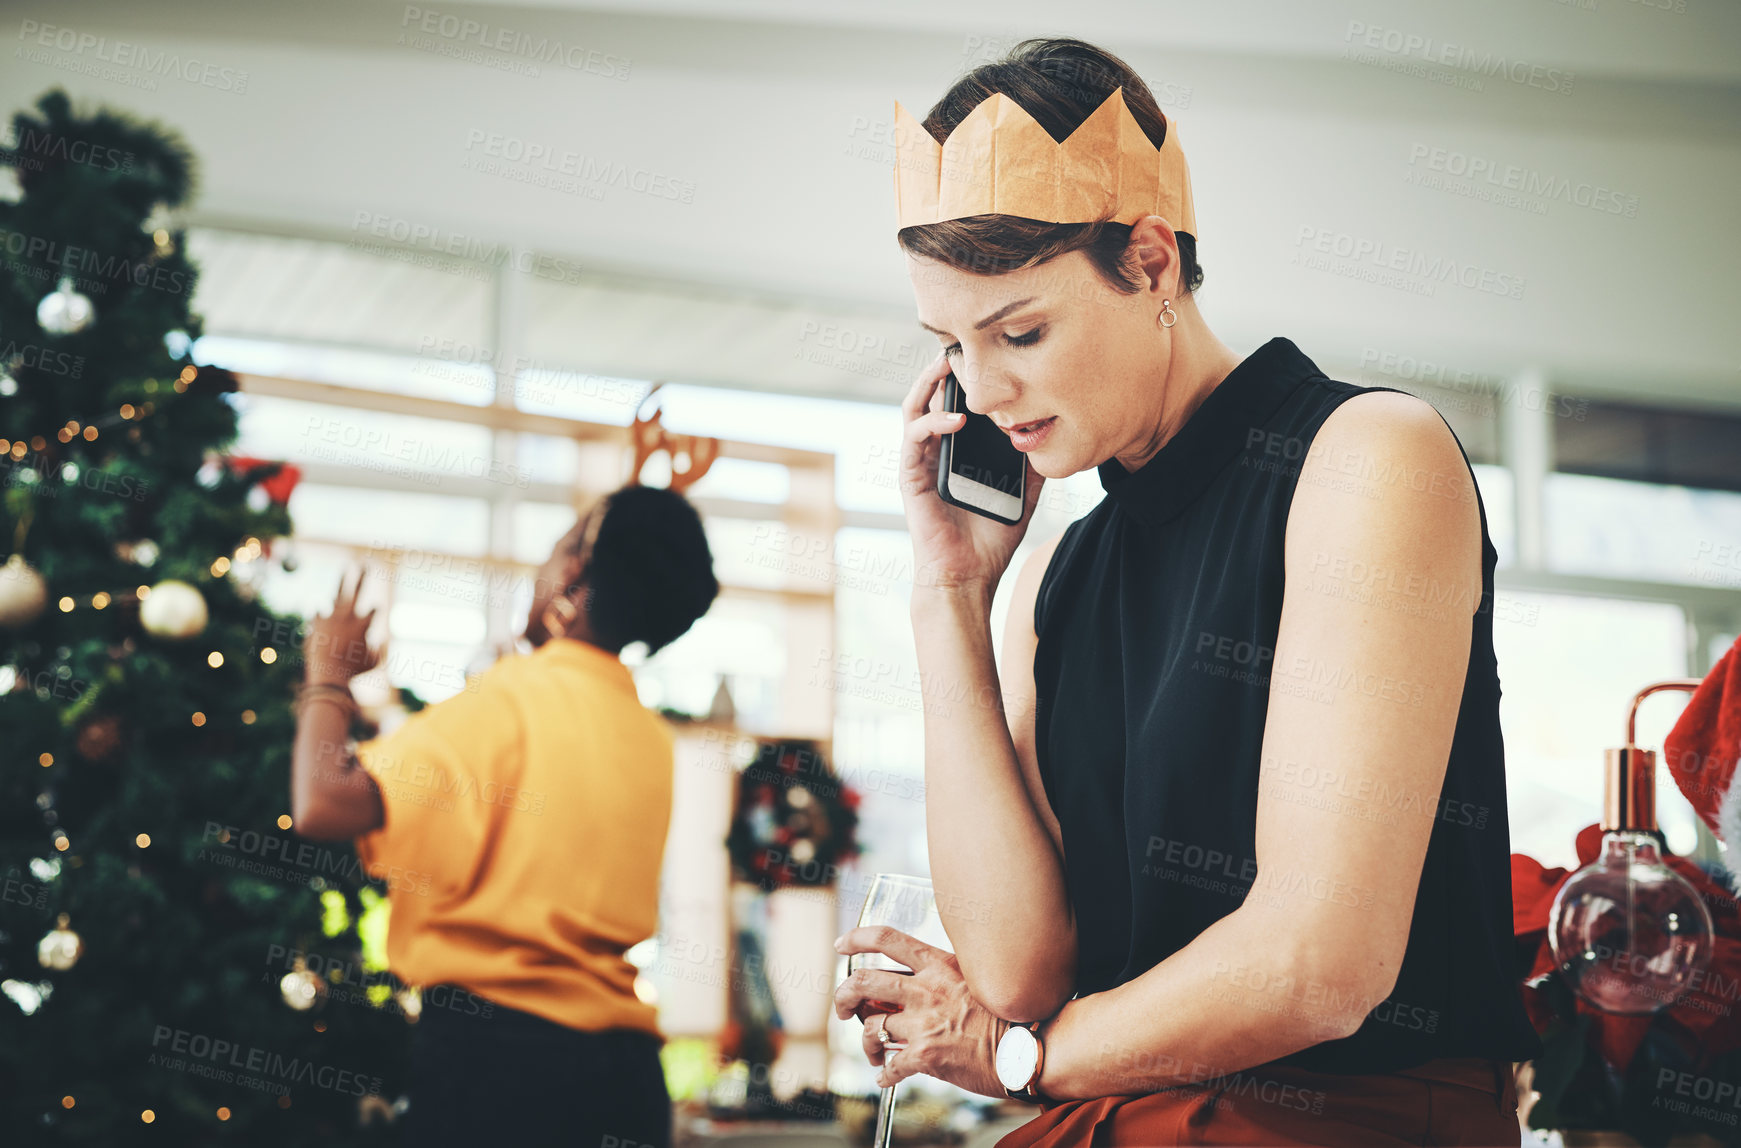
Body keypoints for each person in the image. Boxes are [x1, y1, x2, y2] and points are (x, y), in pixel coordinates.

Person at [832, 37, 1540, 1146]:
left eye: (1020, 331)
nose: (985, 387)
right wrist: (950, 595)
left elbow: (1320, 964)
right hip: (1126, 1112)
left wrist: (1029, 1058)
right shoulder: (1062, 570)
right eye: (952, 347)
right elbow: (1017, 967)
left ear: (1152, 263)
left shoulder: (1364, 457)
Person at [290, 482, 719, 1148]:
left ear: (573, 569)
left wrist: (327, 676)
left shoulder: (511, 698)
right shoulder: (649, 738)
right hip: (627, 1082)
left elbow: (323, 800)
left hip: (498, 1069)